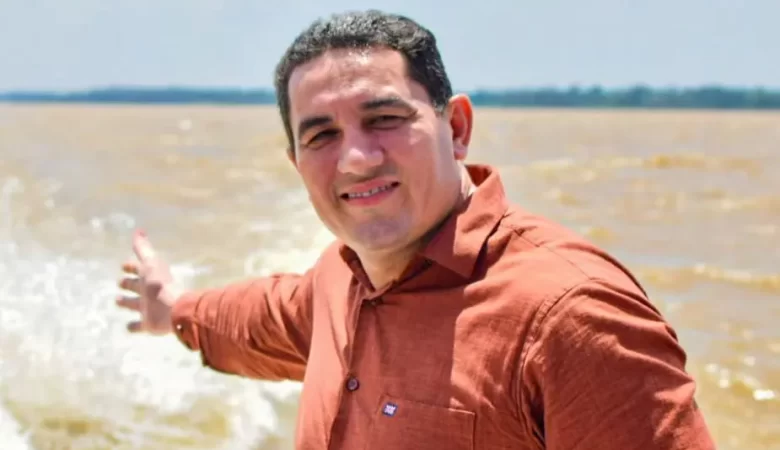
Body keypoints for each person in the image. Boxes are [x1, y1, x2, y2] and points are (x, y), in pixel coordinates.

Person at [115, 9, 716, 450]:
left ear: (456, 128)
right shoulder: (340, 281)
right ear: (296, 163)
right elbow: (262, 318)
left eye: (384, 118)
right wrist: (173, 310)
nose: (356, 159)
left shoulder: (572, 316)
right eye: (321, 135)